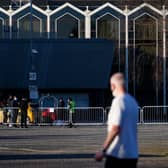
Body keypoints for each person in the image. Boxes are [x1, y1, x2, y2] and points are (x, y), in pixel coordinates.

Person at [95, 73, 139, 168]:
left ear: (113, 85)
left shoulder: (118, 101)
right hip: (132, 155)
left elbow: (116, 128)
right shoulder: (133, 101)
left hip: (118, 154)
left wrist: (103, 150)